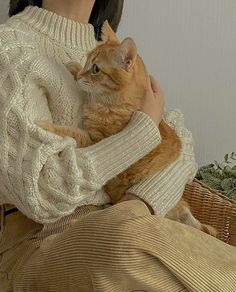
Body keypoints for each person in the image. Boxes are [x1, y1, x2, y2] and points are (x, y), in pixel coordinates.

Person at [0, 1, 235, 291]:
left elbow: (181, 143)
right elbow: (40, 191)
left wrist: (141, 201)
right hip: (42, 242)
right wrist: (140, 134)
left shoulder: (106, 48)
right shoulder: (11, 47)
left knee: (133, 238)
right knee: (125, 242)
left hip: (129, 225)